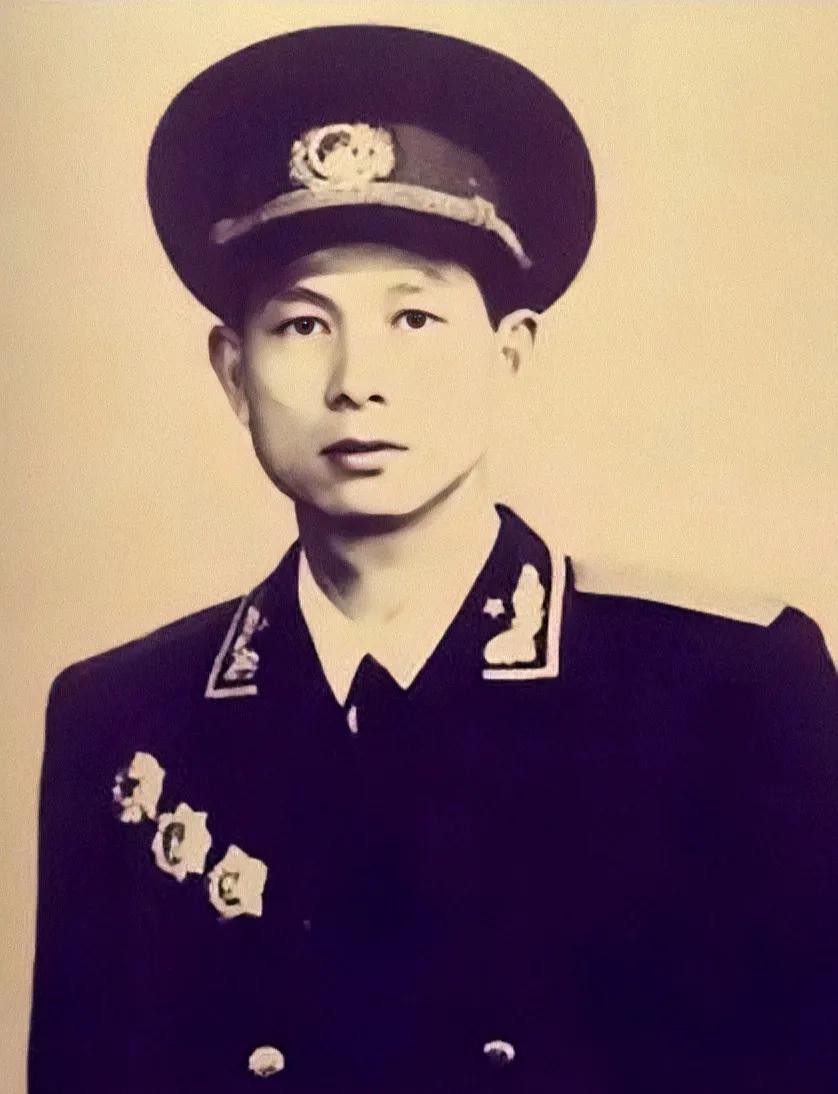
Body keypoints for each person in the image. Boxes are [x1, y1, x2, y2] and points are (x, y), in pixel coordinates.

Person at [28, 23, 838, 1094]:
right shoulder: (122, 718)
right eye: (302, 326)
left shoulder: (726, 689)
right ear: (232, 372)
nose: (358, 380)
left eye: (413, 317)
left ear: (509, 354)